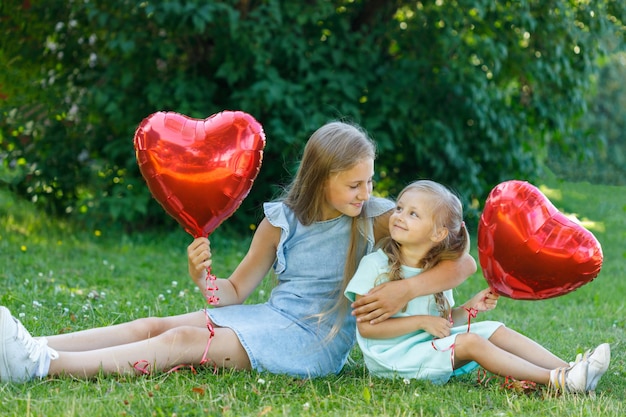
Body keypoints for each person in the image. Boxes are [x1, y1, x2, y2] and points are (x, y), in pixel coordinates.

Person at [0, 121, 475, 383]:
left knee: (180, 344)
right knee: (155, 326)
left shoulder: (373, 215)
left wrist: (405, 290)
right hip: (272, 318)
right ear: (319, 178)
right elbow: (232, 291)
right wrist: (203, 279)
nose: (366, 190)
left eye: (369, 180)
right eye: (355, 183)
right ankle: (35, 346)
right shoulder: (279, 222)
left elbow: (464, 260)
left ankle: (41, 366)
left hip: (313, 342)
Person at [344, 180, 611, 393]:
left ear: (438, 234)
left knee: (494, 328)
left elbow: (441, 322)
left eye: (413, 214)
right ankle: (557, 380)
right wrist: (420, 322)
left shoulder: (436, 272)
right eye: (400, 208)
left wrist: (470, 308)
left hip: (424, 348)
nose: (399, 216)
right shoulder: (375, 265)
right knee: (471, 341)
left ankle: (573, 369)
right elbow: (367, 327)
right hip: (392, 360)